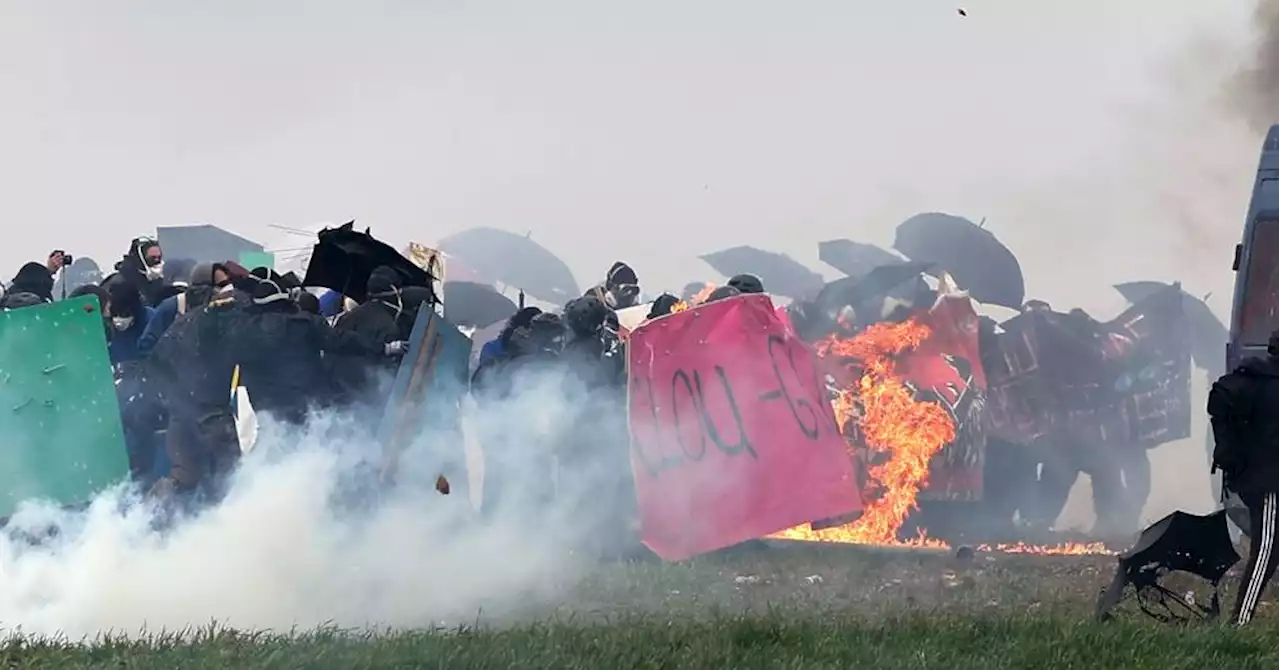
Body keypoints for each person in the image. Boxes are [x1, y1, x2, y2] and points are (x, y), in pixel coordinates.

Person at [235, 278, 406, 425]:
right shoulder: (305, 323)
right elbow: (343, 341)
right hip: (308, 406)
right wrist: (384, 347)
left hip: (268, 413)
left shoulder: (242, 332)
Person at [1208, 329, 1280, 626]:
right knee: (1267, 549)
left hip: (1260, 478)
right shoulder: (1264, 383)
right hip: (1269, 482)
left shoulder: (1253, 378)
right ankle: (1240, 623)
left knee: (1270, 549)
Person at [138, 262, 233, 354]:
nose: (226, 289)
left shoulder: (226, 312)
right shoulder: (173, 307)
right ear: (203, 288)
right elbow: (147, 344)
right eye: (221, 285)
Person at [111, 237, 168, 306]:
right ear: (141, 258)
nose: (156, 260)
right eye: (152, 258)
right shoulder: (122, 282)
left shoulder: (161, 281)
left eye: (159, 257)